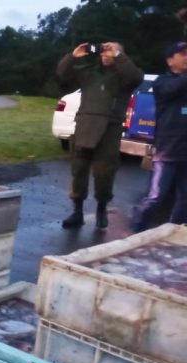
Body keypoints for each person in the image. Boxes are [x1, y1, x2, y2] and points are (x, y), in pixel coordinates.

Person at [57, 42, 143, 229]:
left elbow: (135, 78)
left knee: (104, 173)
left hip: (109, 130)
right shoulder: (89, 73)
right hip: (84, 127)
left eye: (110, 51)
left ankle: (101, 208)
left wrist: (118, 56)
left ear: (119, 53)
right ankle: (77, 212)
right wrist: (73, 56)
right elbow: (63, 73)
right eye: (103, 51)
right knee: (78, 171)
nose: (105, 54)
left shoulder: (124, 76)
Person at [132, 42, 187, 231]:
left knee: (184, 199)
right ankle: (137, 228)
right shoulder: (162, 82)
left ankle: (173, 232)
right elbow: (171, 90)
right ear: (170, 61)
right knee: (156, 196)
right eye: (183, 54)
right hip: (168, 151)